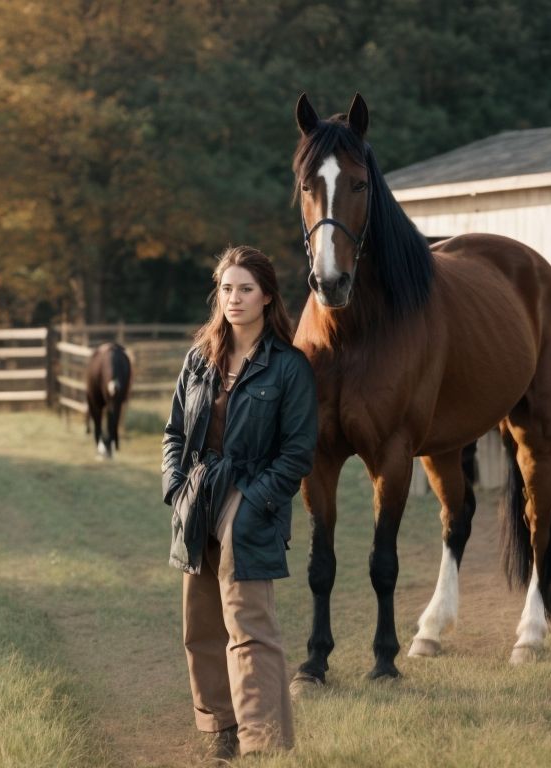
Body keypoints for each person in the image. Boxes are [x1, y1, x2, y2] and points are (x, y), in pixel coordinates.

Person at [161, 245, 318, 759]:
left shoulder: (290, 367)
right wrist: (174, 485)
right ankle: (219, 731)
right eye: (227, 288)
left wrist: (255, 501)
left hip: (250, 495)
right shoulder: (199, 357)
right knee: (200, 622)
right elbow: (174, 432)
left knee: (249, 623)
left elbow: (298, 453)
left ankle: (262, 742)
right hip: (198, 493)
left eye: (246, 288)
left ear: (267, 296)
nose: (234, 298)